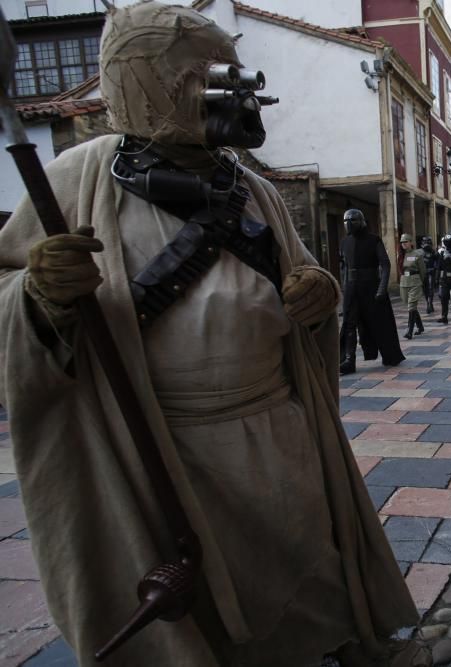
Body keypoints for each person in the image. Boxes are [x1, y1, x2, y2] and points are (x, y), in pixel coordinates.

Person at [0, 3, 424, 666]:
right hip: (160, 447)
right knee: (194, 597)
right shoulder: (72, 180)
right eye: (203, 75)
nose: (228, 89)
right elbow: (10, 301)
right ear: (152, 83)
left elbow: (301, 275)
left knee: (307, 558)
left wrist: (317, 294)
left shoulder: (255, 189)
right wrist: (38, 293)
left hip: (274, 427)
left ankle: (335, 642)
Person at [340, 209, 405, 374]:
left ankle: (389, 355)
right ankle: (349, 360)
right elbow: (344, 267)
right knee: (349, 324)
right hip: (351, 288)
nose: (348, 224)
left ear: (361, 222)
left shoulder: (374, 240)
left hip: (371, 288)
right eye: (346, 221)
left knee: (380, 324)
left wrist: (382, 288)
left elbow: (385, 265)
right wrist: (344, 289)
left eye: (352, 220)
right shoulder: (345, 242)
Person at [398, 234, 426, 340]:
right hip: (404, 282)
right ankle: (420, 326)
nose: (403, 244)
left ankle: (409, 331)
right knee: (411, 306)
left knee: (411, 306)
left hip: (415, 281)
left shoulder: (417, 254)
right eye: (402, 242)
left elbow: (422, 270)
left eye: (405, 242)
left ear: (410, 242)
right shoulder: (400, 255)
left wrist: (420, 282)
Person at [420, 235, 438, 315]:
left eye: (428, 242)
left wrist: (436, 272)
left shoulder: (433, 252)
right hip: (423, 273)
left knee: (430, 288)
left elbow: (437, 263)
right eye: (425, 242)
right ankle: (428, 302)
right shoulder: (420, 252)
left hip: (431, 272)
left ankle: (429, 303)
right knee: (425, 289)